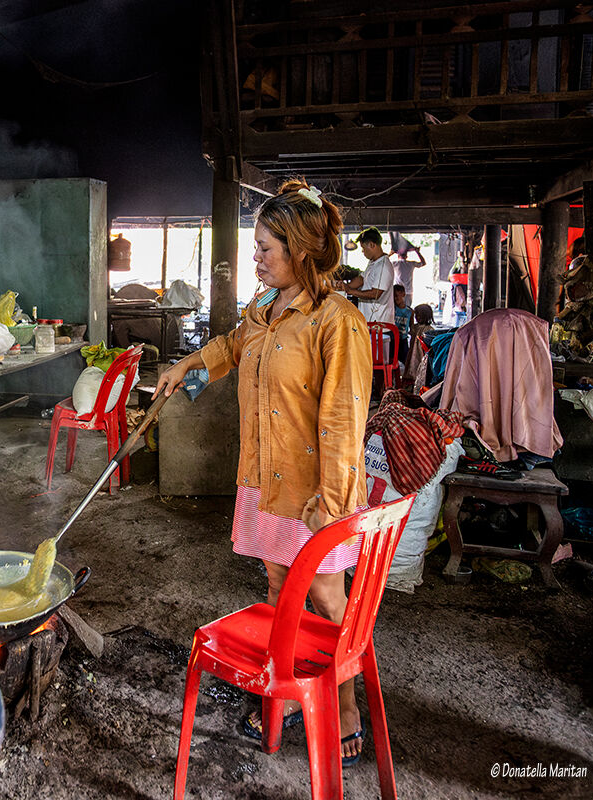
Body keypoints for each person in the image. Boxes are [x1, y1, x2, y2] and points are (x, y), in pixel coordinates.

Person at [156, 179, 372, 766]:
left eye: (265, 248)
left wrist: (332, 501)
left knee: (327, 597)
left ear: (300, 250)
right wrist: (188, 366)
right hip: (264, 478)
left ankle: (346, 704)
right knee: (279, 590)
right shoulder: (263, 310)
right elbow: (231, 346)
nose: (255, 258)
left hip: (312, 490)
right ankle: (293, 685)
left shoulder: (336, 321)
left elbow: (344, 419)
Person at [340, 227, 394, 324]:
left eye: (363, 248)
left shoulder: (383, 266)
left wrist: (350, 291)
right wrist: (344, 287)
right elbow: (361, 279)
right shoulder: (373, 263)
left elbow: (376, 293)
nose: (362, 251)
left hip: (379, 325)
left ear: (372, 245)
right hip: (369, 321)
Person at [393, 284, 413, 367]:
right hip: (393, 339)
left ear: (404, 294)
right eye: (394, 296)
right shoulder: (392, 309)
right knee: (392, 359)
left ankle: (406, 377)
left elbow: (412, 327)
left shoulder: (410, 311)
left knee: (406, 360)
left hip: (403, 339)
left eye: (398, 295)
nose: (396, 298)